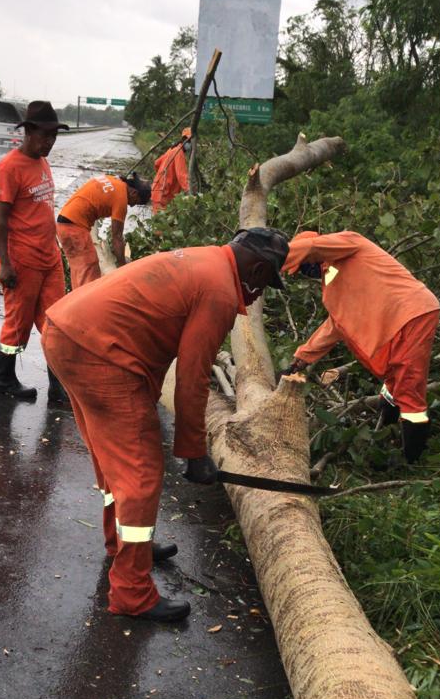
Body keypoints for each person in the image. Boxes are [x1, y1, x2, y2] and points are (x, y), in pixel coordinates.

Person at [42, 227, 290, 624]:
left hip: (68, 332)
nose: (260, 294)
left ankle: (125, 544)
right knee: (140, 474)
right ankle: (132, 592)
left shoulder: (205, 259)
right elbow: (193, 378)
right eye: (265, 284)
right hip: (99, 352)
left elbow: (156, 347)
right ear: (258, 270)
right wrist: (194, 453)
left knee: (115, 462)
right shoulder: (220, 292)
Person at [282, 230, 440, 463]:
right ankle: (386, 439)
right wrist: (302, 358)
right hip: (394, 323)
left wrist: (271, 255)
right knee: (392, 384)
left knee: (408, 386)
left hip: (412, 312)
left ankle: (413, 462)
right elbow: (336, 324)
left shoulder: (349, 242)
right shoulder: (331, 284)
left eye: (304, 265)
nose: (306, 272)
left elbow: (313, 247)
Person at [0, 100, 70, 405]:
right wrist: (6, 264)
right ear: (28, 132)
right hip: (22, 262)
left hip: (49, 258)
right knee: (17, 326)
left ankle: (58, 387)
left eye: (54, 136)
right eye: (45, 136)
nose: (49, 142)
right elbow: (0, 220)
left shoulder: (42, 162)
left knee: (56, 324)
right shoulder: (9, 167)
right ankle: (4, 380)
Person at [56, 172, 151, 289]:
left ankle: (75, 297)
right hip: (75, 227)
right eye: (135, 202)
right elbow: (117, 237)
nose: (131, 206)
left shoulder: (114, 180)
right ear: (134, 192)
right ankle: (88, 300)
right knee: (90, 268)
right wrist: (123, 267)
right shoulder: (121, 198)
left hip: (62, 225)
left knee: (79, 270)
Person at [151, 128, 191, 213]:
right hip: (163, 194)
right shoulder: (178, 153)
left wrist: (162, 177)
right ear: (185, 140)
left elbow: (157, 163)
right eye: (190, 141)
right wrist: (189, 191)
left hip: (158, 192)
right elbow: (182, 175)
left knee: (158, 219)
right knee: (161, 220)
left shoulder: (172, 150)